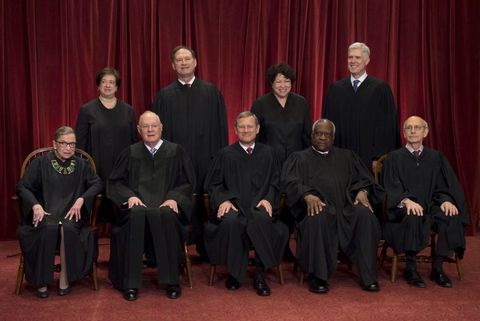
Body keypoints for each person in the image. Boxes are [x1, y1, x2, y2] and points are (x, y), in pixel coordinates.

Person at [282, 119, 383, 293]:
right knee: (317, 216)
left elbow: (365, 180)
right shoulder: (298, 158)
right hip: (318, 207)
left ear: (333, 137)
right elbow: (289, 182)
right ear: (312, 135)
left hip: (346, 208)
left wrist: (362, 191)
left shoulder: (347, 156)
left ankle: (368, 276)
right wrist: (306, 194)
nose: (322, 138)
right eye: (318, 133)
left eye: (326, 134)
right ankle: (318, 277)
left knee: (366, 216)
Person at [107, 111, 195, 301]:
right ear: (139, 130)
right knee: (134, 216)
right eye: (145, 126)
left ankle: (172, 281)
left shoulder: (175, 151)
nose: (150, 129)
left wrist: (174, 198)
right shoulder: (130, 152)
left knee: (167, 215)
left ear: (161, 127)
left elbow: (186, 182)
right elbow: (116, 182)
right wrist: (129, 196)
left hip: (166, 208)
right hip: (137, 208)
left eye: (154, 125)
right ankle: (130, 283)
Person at [152, 45, 228, 259]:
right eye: (179, 60)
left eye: (188, 59)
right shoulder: (164, 96)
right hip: (175, 161)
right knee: (178, 199)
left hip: (207, 158)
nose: (184, 63)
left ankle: (209, 250)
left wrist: (219, 157)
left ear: (195, 62)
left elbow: (221, 127)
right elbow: (156, 133)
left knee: (206, 203)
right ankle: (176, 250)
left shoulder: (211, 92)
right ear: (173, 65)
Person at [203, 111, 288, 297]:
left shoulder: (269, 153)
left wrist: (269, 198)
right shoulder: (224, 154)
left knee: (260, 219)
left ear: (257, 129)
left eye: (250, 126)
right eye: (242, 127)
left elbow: (276, 183)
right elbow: (213, 184)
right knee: (232, 222)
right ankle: (234, 274)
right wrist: (223, 199)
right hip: (234, 206)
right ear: (235, 130)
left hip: (260, 205)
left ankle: (260, 275)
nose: (246, 130)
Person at [16, 126, 103, 298]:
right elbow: (22, 187)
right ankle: (41, 281)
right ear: (54, 144)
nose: (69, 148)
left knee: (67, 228)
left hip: (71, 214)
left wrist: (82, 199)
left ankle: (64, 278)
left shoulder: (81, 164)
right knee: (47, 227)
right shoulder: (40, 163)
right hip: (46, 212)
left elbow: (98, 183)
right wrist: (35, 205)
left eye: (72, 144)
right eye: (64, 143)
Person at [383, 115, 469, 288]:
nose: (413, 131)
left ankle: (437, 268)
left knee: (450, 214)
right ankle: (411, 268)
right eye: (409, 128)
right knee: (413, 213)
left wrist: (446, 200)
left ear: (426, 132)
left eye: (417, 127)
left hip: (431, 206)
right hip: (405, 208)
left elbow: (443, 185)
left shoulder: (436, 158)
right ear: (404, 132)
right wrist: (406, 200)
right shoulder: (394, 158)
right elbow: (390, 187)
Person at [251, 64, 311, 261]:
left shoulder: (301, 103)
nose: (283, 85)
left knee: (295, 202)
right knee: (275, 202)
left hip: (296, 162)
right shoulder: (261, 103)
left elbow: (307, 134)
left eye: (287, 81)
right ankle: (276, 247)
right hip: (270, 162)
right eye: (279, 81)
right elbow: (255, 135)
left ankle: (293, 247)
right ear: (271, 83)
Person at [323, 42, 400, 171]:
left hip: (369, 159)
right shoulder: (336, 89)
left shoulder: (380, 89)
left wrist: (379, 157)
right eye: (350, 57)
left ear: (367, 60)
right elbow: (329, 125)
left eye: (357, 57)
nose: (353, 61)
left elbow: (387, 127)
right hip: (341, 157)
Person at [76, 67, 137, 229]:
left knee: (122, 215)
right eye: (104, 82)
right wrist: (86, 170)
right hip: (96, 169)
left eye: (111, 82)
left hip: (123, 169)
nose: (108, 85)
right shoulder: (87, 110)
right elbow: (80, 144)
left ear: (117, 87)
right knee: (95, 215)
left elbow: (134, 142)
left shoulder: (128, 111)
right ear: (98, 86)